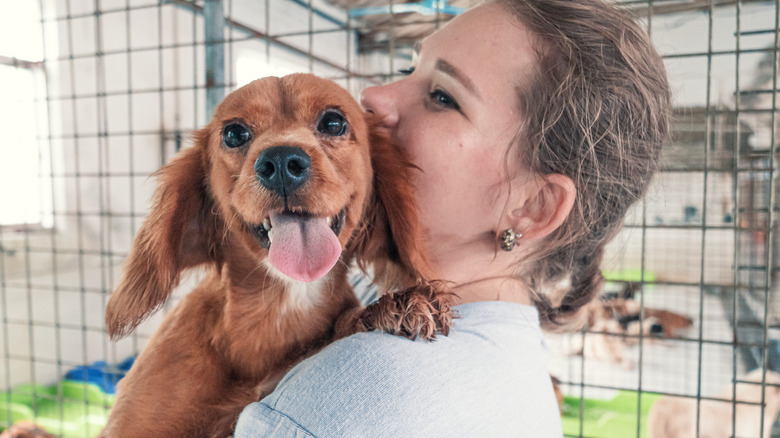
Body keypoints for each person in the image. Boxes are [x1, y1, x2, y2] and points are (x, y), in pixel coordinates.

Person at [235, 0, 671, 436]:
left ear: (532, 207)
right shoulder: (519, 366)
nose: (373, 97)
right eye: (411, 68)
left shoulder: (355, 396)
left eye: (442, 97)